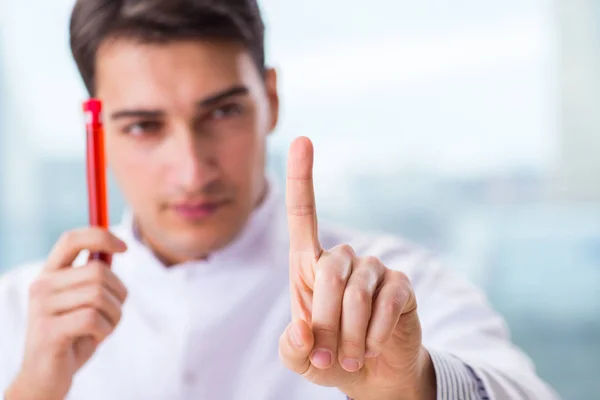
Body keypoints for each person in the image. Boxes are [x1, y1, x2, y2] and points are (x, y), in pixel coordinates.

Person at [0, 1, 558, 399]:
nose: (192, 171)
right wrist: (32, 391)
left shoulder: (397, 288)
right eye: (144, 126)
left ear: (270, 97)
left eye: (221, 112)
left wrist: (407, 387)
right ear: (95, 129)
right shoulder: (18, 312)